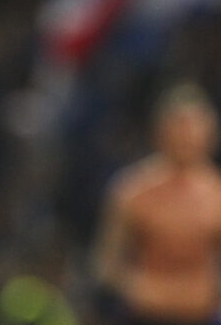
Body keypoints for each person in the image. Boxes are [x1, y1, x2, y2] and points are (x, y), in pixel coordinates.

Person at [93, 83, 221, 325]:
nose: (185, 135)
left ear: (209, 133)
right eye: (178, 126)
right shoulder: (132, 191)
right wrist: (135, 288)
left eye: (192, 127)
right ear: (160, 132)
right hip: (143, 314)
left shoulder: (217, 195)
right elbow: (106, 263)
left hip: (203, 314)